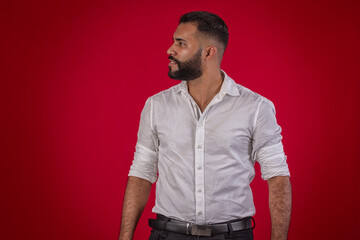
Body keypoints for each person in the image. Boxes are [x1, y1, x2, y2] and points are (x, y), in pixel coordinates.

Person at [119, 11, 292, 240]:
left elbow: (278, 177)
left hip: (233, 236)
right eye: (174, 41)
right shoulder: (156, 106)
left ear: (209, 52)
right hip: (168, 234)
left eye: (181, 43)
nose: (170, 50)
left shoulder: (256, 108)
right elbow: (141, 173)